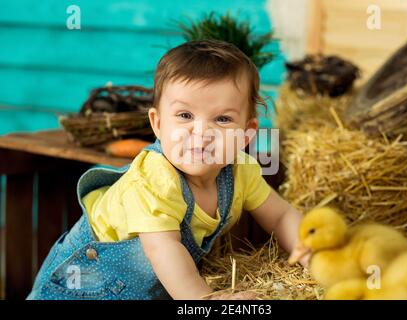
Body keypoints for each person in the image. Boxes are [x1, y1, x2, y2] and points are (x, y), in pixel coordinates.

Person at [28, 39, 309, 300]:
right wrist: (205, 301)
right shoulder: (155, 178)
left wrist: (313, 256)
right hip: (80, 285)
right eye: (185, 115)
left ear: (246, 134)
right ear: (158, 123)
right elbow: (164, 249)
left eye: (222, 119)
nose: (201, 133)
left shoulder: (241, 171)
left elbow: (281, 215)